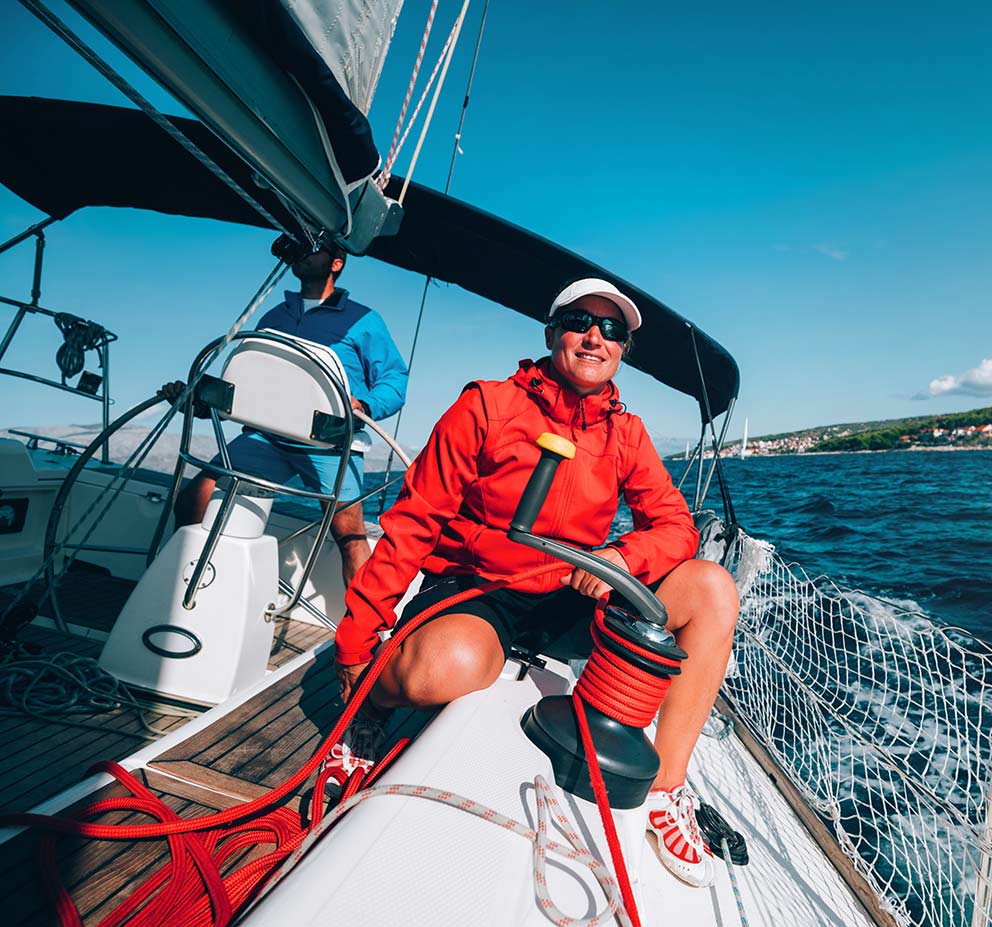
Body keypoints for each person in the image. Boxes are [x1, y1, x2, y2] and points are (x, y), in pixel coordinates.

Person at [332, 278, 740, 887]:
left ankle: (666, 789)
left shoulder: (625, 433)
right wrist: (354, 644)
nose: (595, 337)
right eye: (580, 321)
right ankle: (370, 701)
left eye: (613, 330)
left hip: (575, 593)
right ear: (552, 333)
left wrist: (624, 558)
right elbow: (412, 526)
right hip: (480, 589)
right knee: (439, 671)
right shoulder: (487, 406)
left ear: (624, 349)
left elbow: (676, 525)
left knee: (711, 588)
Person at [164, 239, 409, 590]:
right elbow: (248, 379)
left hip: (327, 443)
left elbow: (394, 380)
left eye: (314, 248)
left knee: (351, 536)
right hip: (266, 437)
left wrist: (365, 405)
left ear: (336, 264)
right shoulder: (274, 317)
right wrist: (199, 398)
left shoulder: (364, 321)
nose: (302, 251)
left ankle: (367, 635)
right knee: (195, 498)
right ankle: (179, 586)